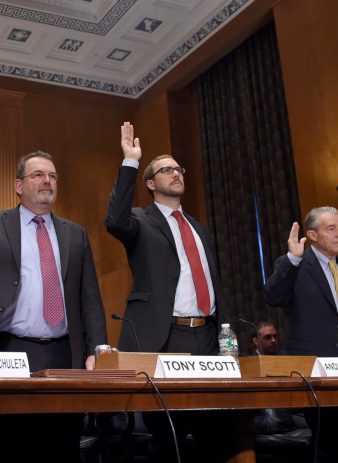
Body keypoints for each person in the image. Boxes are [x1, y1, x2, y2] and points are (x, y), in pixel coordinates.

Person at [0, 154, 107, 463]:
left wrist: (96, 349)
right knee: (14, 446)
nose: (47, 181)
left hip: (63, 353)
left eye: (53, 176)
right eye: (38, 175)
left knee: (62, 447)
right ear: (19, 185)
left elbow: (90, 299)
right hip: (10, 352)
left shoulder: (76, 233)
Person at [105, 122, 235, 462]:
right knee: (168, 436)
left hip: (207, 337)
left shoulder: (198, 227)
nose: (176, 173)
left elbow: (215, 284)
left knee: (214, 432)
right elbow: (114, 221)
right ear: (151, 183)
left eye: (178, 169)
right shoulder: (139, 220)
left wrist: (227, 337)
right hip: (165, 337)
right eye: (166, 170)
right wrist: (130, 162)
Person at [265, 206, 338, 462]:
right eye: (331, 228)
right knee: (330, 446)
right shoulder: (295, 264)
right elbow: (274, 296)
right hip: (319, 369)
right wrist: (292, 259)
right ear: (312, 235)